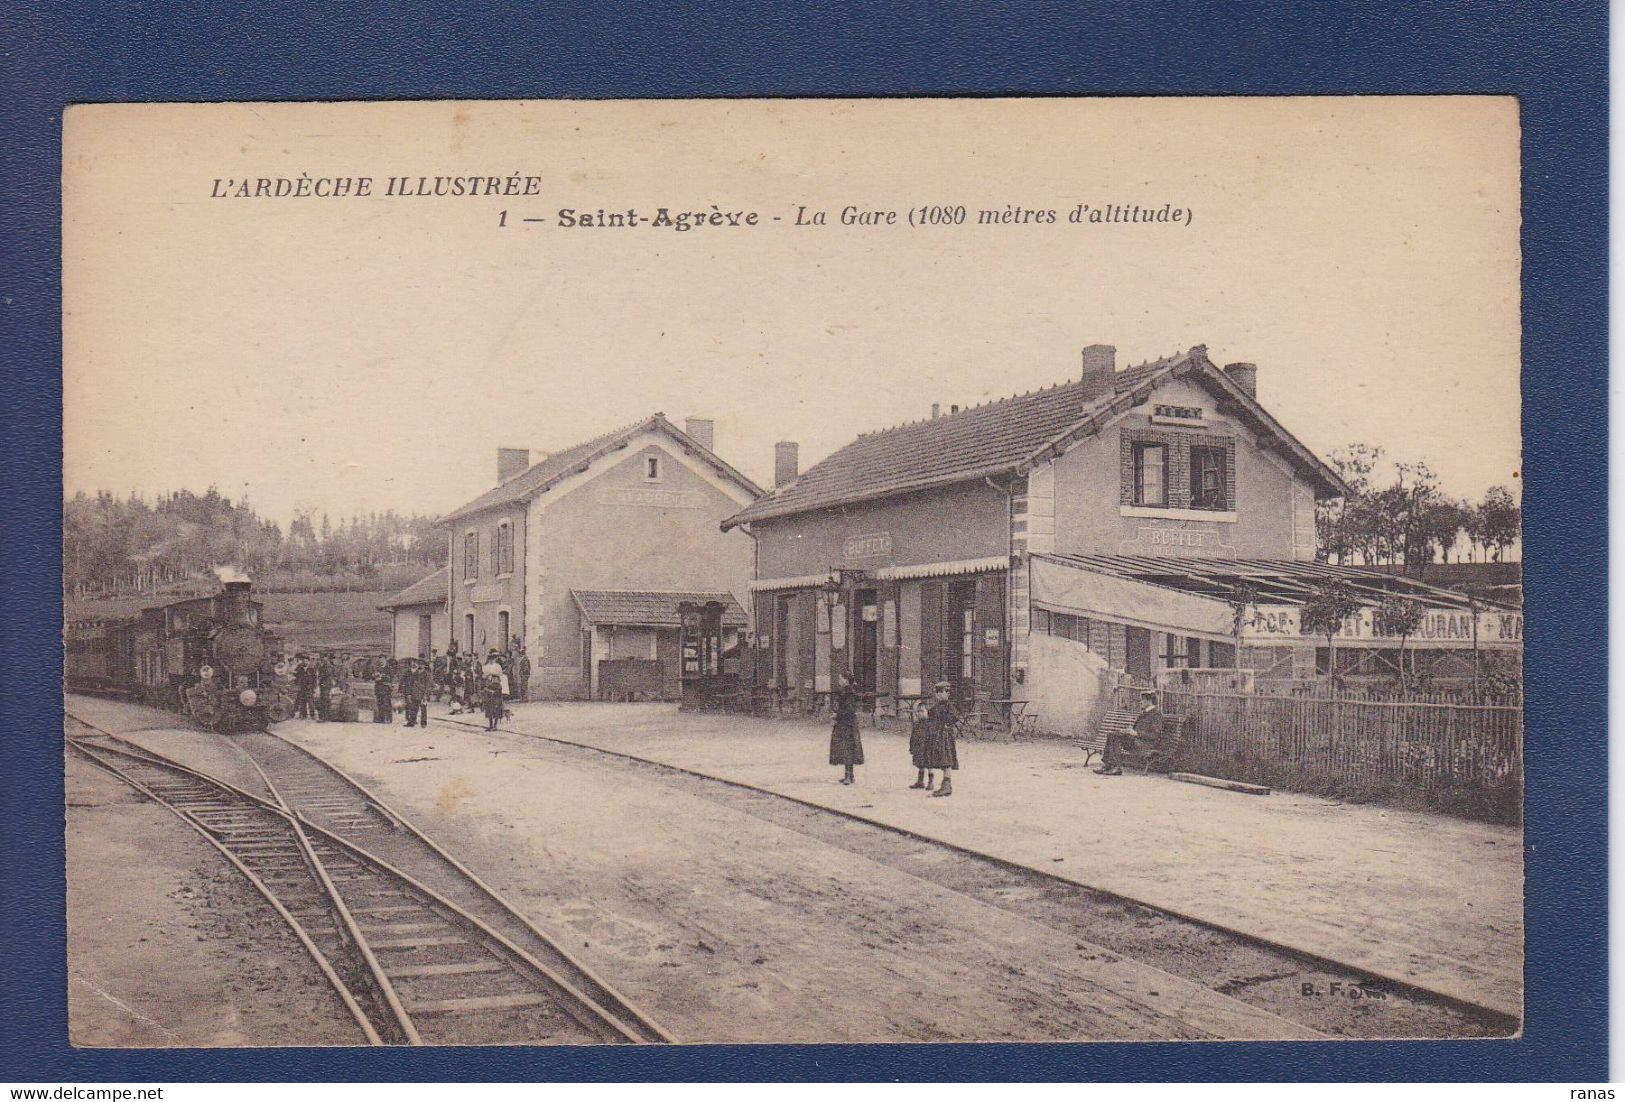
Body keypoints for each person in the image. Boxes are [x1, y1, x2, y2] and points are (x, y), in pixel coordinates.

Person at [1098, 691, 1162, 776]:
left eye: (1142, 700)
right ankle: (1107, 765)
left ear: (1149, 701)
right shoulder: (1145, 713)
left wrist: (1136, 733)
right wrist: (1127, 731)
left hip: (1145, 744)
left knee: (1116, 737)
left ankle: (1117, 767)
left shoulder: (1156, 715)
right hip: (1136, 741)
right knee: (1112, 735)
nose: (1140, 702)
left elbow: (1155, 735)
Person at [921, 681, 961, 797]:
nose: (940, 695)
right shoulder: (938, 706)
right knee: (943, 758)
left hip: (946, 736)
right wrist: (924, 713)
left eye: (943, 692)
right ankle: (945, 784)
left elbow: (955, 716)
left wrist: (947, 724)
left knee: (947, 759)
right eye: (938, 693)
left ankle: (947, 785)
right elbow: (930, 714)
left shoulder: (949, 705)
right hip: (939, 736)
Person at [828, 675, 864, 785]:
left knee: (848, 748)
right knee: (845, 749)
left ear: (846, 681)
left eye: (841, 679)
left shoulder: (850, 693)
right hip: (844, 724)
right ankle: (848, 775)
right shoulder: (844, 692)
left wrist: (836, 715)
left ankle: (849, 776)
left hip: (847, 725)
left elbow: (849, 710)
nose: (839, 680)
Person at [907, 698, 932, 789]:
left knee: (929, 765)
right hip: (919, 748)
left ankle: (930, 782)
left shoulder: (930, 725)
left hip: (928, 748)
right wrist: (911, 747)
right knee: (920, 764)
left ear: (927, 712)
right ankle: (920, 781)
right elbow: (913, 736)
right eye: (917, 711)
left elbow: (933, 737)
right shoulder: (917, 724)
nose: (919, 713)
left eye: (922, 711)